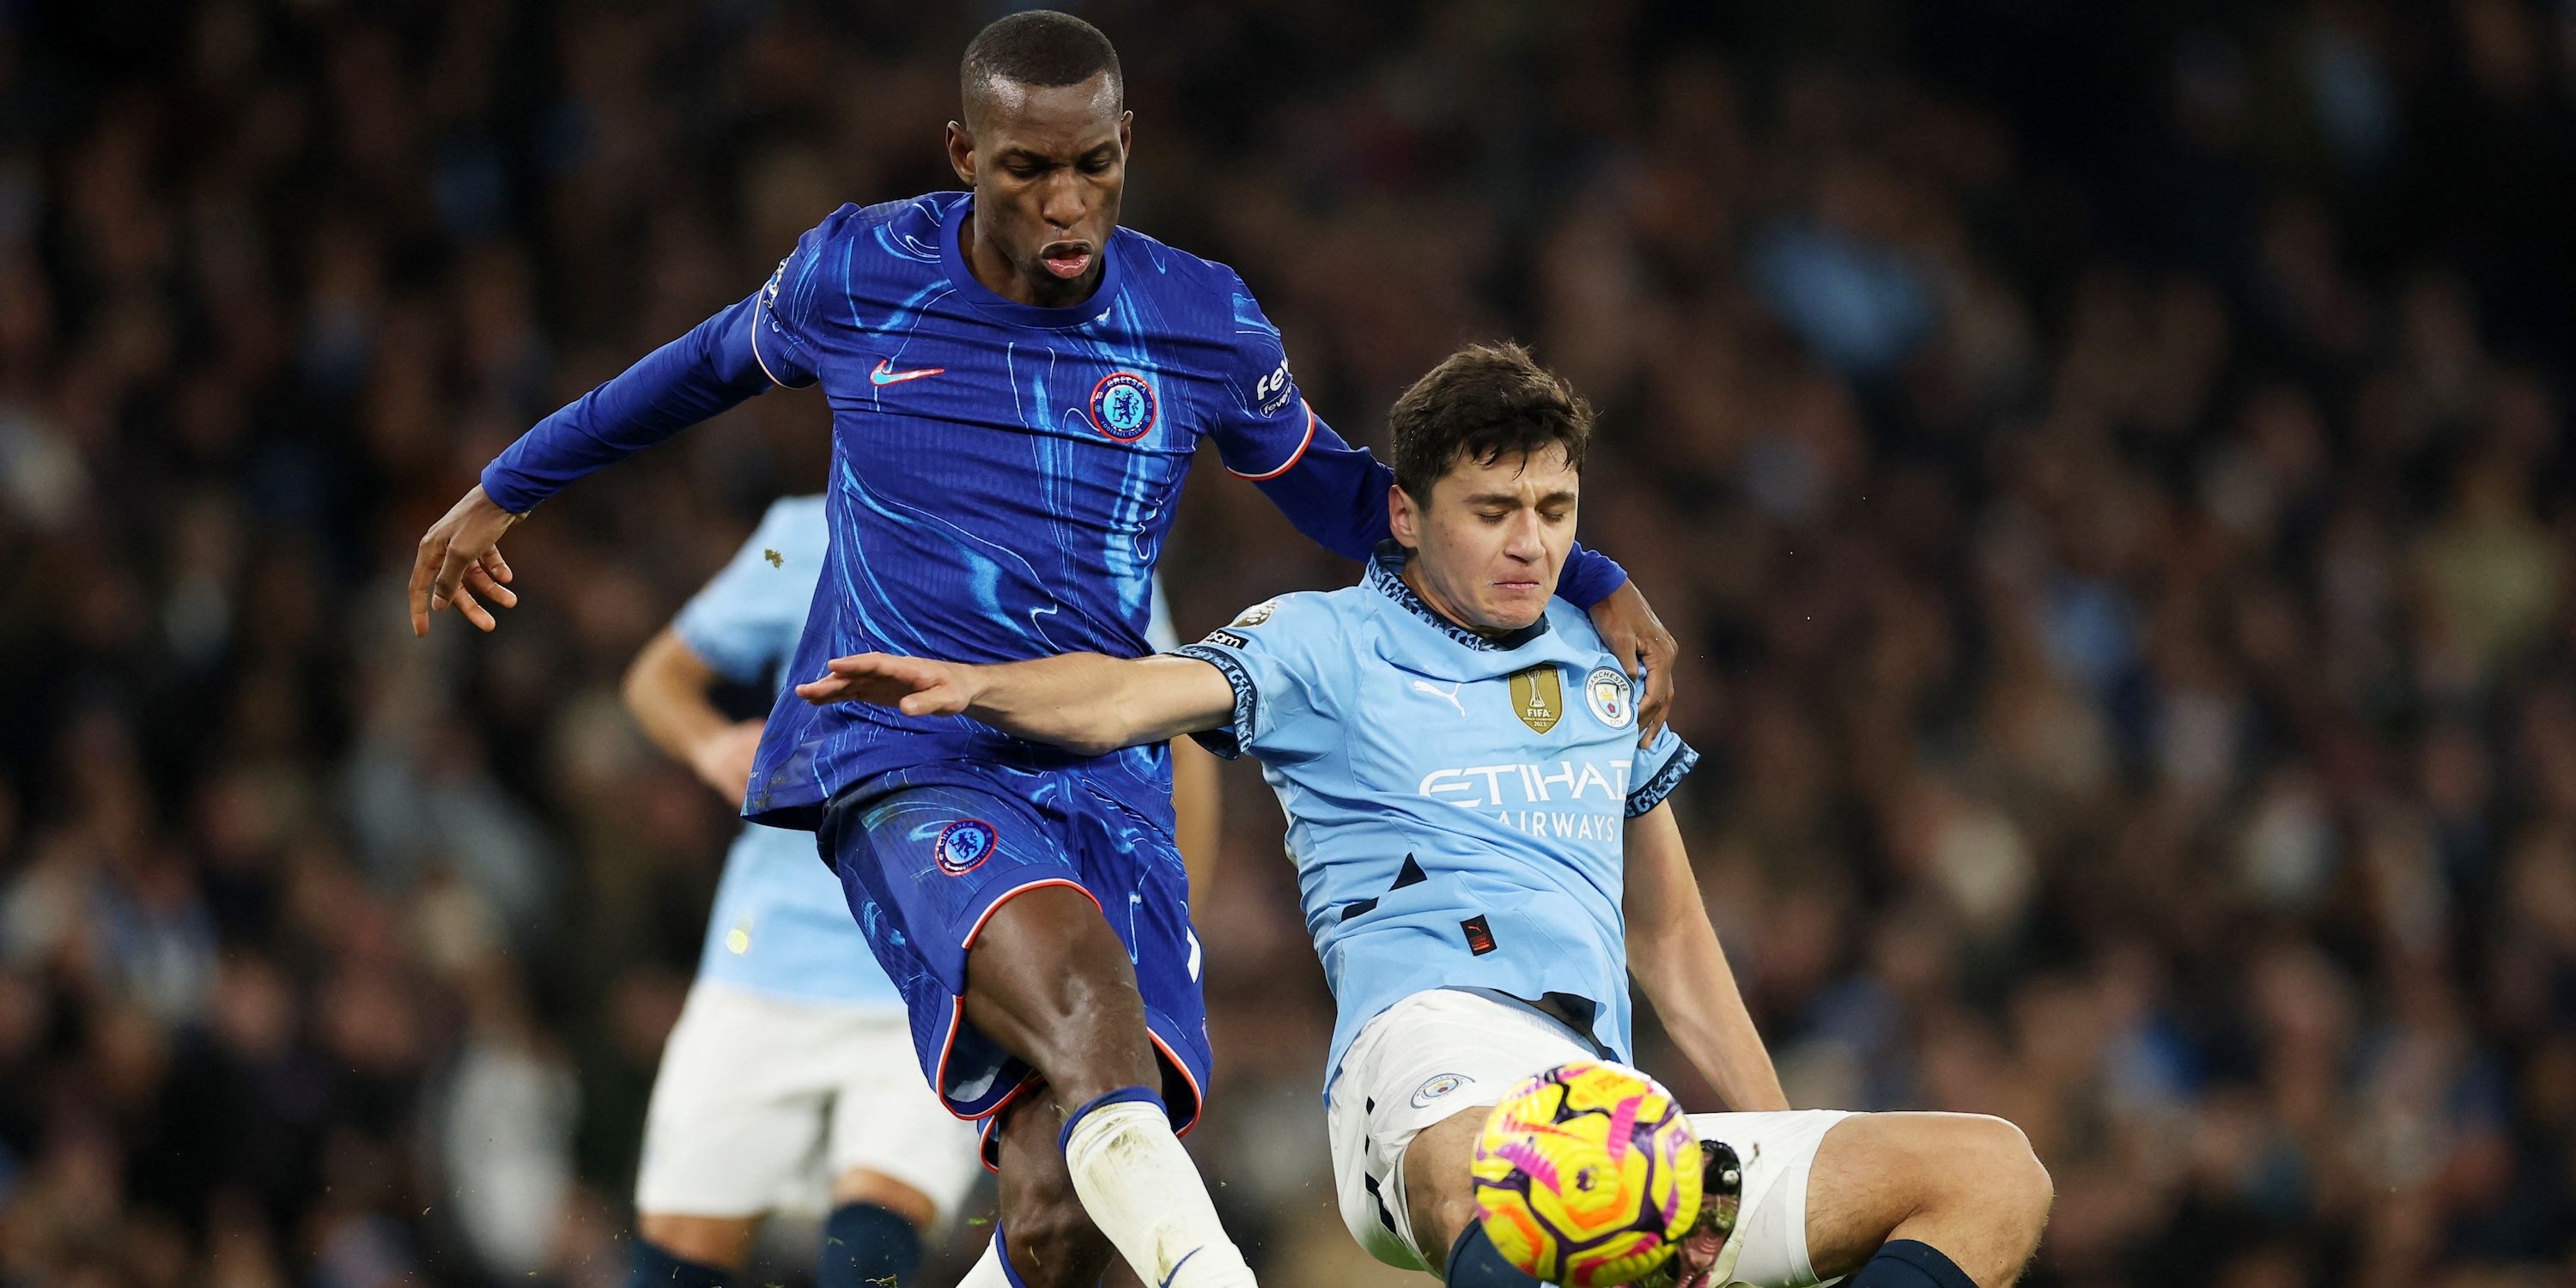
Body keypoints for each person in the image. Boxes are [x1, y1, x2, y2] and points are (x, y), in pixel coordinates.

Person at [404, 13, 1680, 1287]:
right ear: (963, 151)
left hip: (1099, 773)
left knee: (1066, 1211)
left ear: (1127, 143)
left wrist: (1593, 574)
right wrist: (504, 487)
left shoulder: (1200, 320)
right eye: (1026, 169)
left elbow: (1355, 504)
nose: (1066, 203)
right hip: (903, 747)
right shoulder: (858, 274)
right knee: (1085, 1016)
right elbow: (692, 372)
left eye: (1093, 167)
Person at [797, 344, 2057, 1288]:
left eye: (1556, 514)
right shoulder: (1321, 643)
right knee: (1500, 1177)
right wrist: (971, 684)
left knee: (1992, 1174)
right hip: (1425, 1064)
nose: (1531, 547)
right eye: (1493, 513)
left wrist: (1784, 1160)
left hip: (1612, 1113)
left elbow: (1672, 947)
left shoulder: (1605, 666)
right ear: (1404, 514)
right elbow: (1129, 696)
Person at [618, 494, 1218, 1288]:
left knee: (868, 1251)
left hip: (950, 958)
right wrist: (711, 743)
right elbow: (658, 679)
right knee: (675, 1263)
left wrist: (1169, 944)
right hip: (769, 954)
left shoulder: (1088, 536)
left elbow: (1177, 736)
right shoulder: (806, 535)